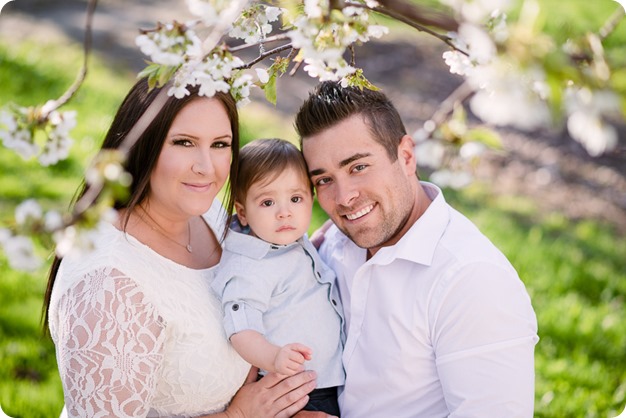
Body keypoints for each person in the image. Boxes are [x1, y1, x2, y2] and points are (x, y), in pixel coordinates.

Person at [42, 78, 329, 418]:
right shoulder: (109, 285)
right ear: (143, 142)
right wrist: (237, 416)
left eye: (221, 145)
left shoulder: (207, 212)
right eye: (184, 142)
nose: (206, 168)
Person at [295, 81, 539, 418]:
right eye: (324, 180)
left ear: (406, 156)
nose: (343, 197)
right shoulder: (333, 244)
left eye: (358, 167)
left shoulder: (471, 281)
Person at [211, 138, 344, 416]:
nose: (285, 212)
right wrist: (274, 357)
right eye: (268, 202)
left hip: (326, 382)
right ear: (243, 212)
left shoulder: (289, 241)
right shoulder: (249, 267)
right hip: (290, 390)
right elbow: (241, 330)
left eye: (296, 199)